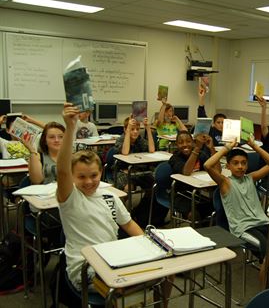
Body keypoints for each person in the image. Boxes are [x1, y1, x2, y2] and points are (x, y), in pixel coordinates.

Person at [56, 103, 173, 303]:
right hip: (87, 269)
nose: (88, 181)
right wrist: (70, 127)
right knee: (121, 286)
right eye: (81, 177)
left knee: (167, 272)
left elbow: (128, 224)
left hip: (115, 258)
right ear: (73, 178)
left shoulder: (109, 197)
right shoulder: (71, 198)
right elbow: (62, 171)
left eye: (93, 175)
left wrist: (152, 246)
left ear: (101, 173)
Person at [204, 137, 269, 288]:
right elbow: (207, 165)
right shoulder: (225, 182)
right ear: (228, 166)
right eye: (236, 163)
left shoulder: (251, 178)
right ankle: (265, 293)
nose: (240, 167)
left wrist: (253, 145)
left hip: (264, 223)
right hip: (243, 229)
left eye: (244, 163)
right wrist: (227, 148)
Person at [114, 115, 159, 226]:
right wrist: (128, 131)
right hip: (123, 171)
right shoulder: (121, 139)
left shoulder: (140, 140)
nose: (135, 132)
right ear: (125, 129)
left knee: (154, 186)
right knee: (127, 188)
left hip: (139, 171)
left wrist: (148, 128)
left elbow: (152, 150)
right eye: (132, 129)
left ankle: (139, 213)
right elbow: (125, 152)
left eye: (137, 129)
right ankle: (120, 214)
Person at [167, 131, 218, 220]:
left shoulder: (201, 155)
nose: (185, 145)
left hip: (200, 192)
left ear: (193, 142)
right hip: (181, 194)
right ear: (176, 145)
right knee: (194, 215)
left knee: (218, 208)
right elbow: (187, 171)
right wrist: (197, 148)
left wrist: (212, 149)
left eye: (188, 141)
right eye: (181, 142)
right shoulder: (175, 158)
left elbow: (217, 171)